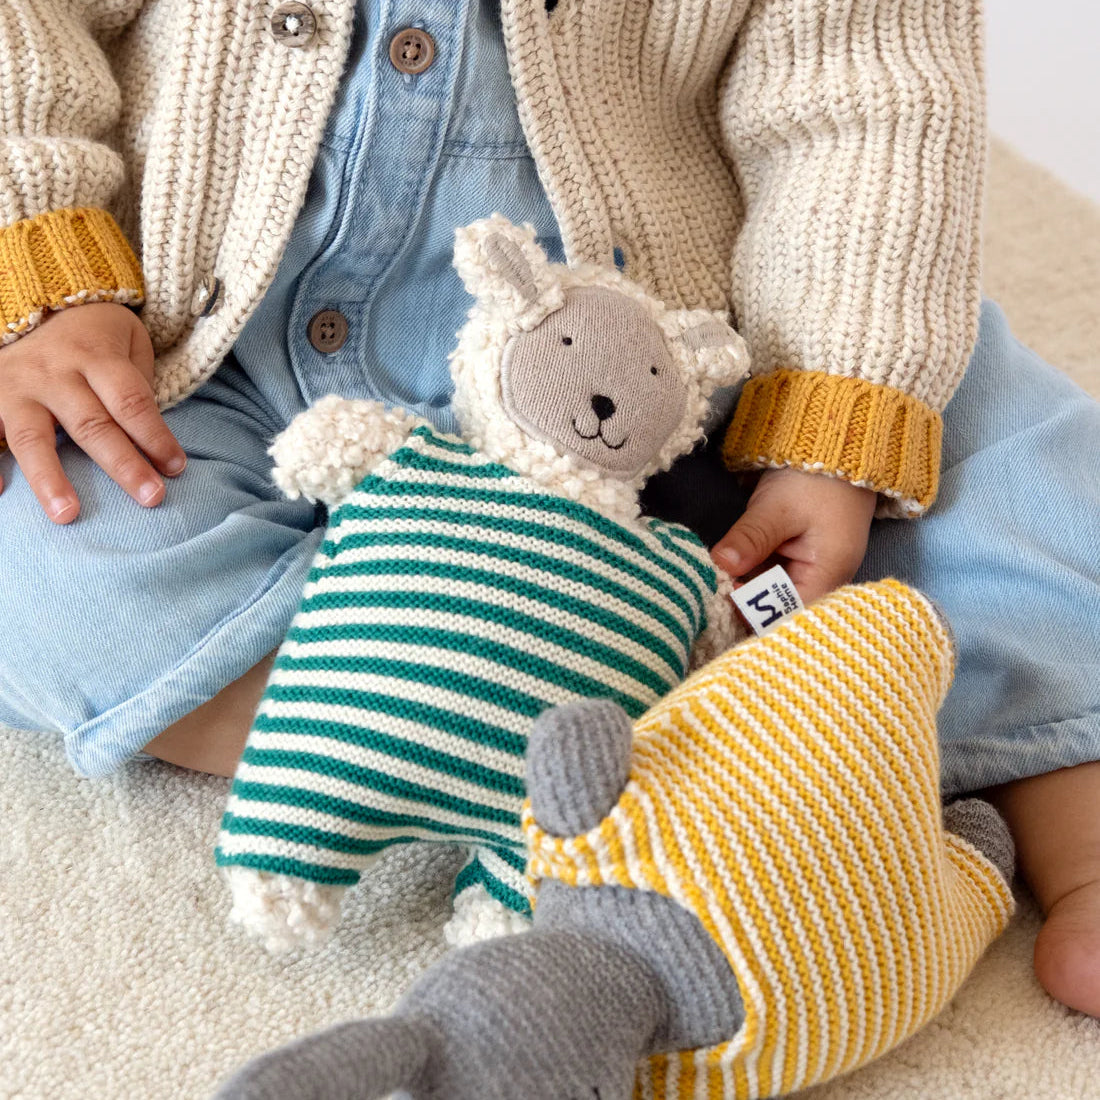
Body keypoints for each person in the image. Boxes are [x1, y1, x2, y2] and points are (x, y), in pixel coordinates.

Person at [0, 0, 1096, 1019]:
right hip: (212, 334)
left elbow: (871, 102)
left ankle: (1074, 814)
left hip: (668, 364)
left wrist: (831, 423)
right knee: (61, 540)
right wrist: (42, 258)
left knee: (994, 442)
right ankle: (596, 742)